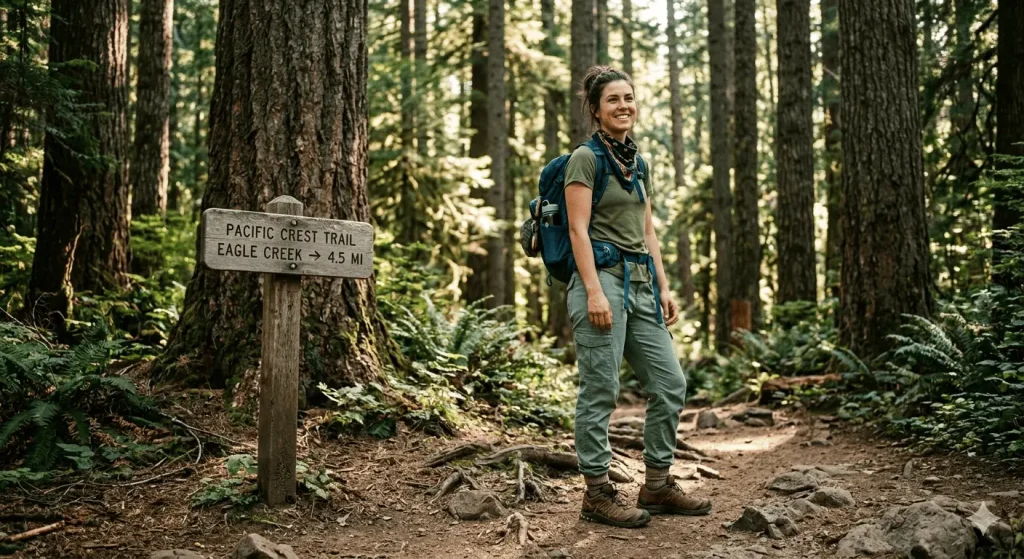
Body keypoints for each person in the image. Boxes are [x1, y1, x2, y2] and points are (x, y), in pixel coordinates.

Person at [564, 66, 713, 528]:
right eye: (613, 99)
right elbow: (577, 229)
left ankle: (656, 485)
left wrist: (665, 286)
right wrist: (593, 291)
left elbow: (647, 230)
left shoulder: (637, 162)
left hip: (641, 284)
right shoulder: (585, 160)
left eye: (629, 97)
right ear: (595, 109)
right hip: (601, 282)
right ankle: (597, 493)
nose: (623, 105)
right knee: (601, 390)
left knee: (670, 384)